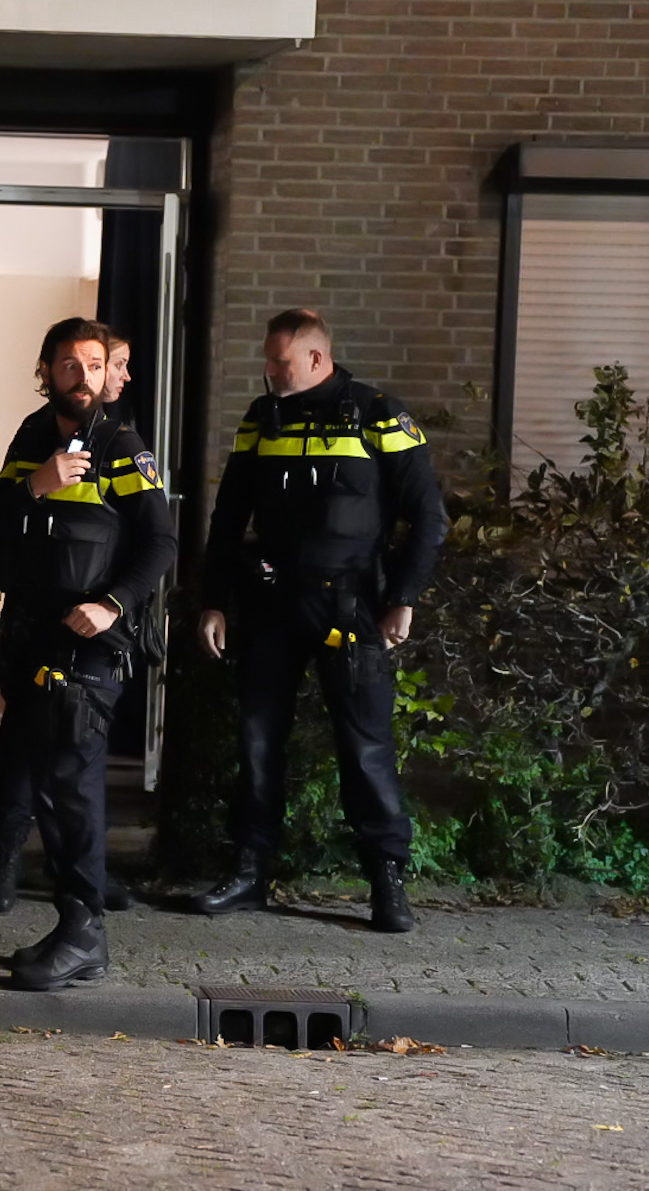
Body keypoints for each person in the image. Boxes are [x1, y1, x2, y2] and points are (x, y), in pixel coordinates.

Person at [191, 307, 446, 932]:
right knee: (257, 743)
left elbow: (429, 516)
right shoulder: (262, 417)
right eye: (267, 359)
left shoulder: (378, 414)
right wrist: (214, 600)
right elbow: (228, 517)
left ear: (315, 357)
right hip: (271, 605)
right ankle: (249, 871)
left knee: (365, 749)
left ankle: (386, 882)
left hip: (351, 608)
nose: (270, 370)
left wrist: (403, 597)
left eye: (280, 361)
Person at [0, 317, 176, 990]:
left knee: (73, 788)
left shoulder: (122, 444)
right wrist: (37, 483)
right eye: (70, 365)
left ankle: (84, 933)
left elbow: (161, 543)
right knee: (39, 777)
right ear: (47, 371)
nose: (84, 377)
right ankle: (66, 927)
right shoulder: (34, 436)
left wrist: (113, 604)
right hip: (30, 635)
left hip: (85, 646)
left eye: (94, 365)